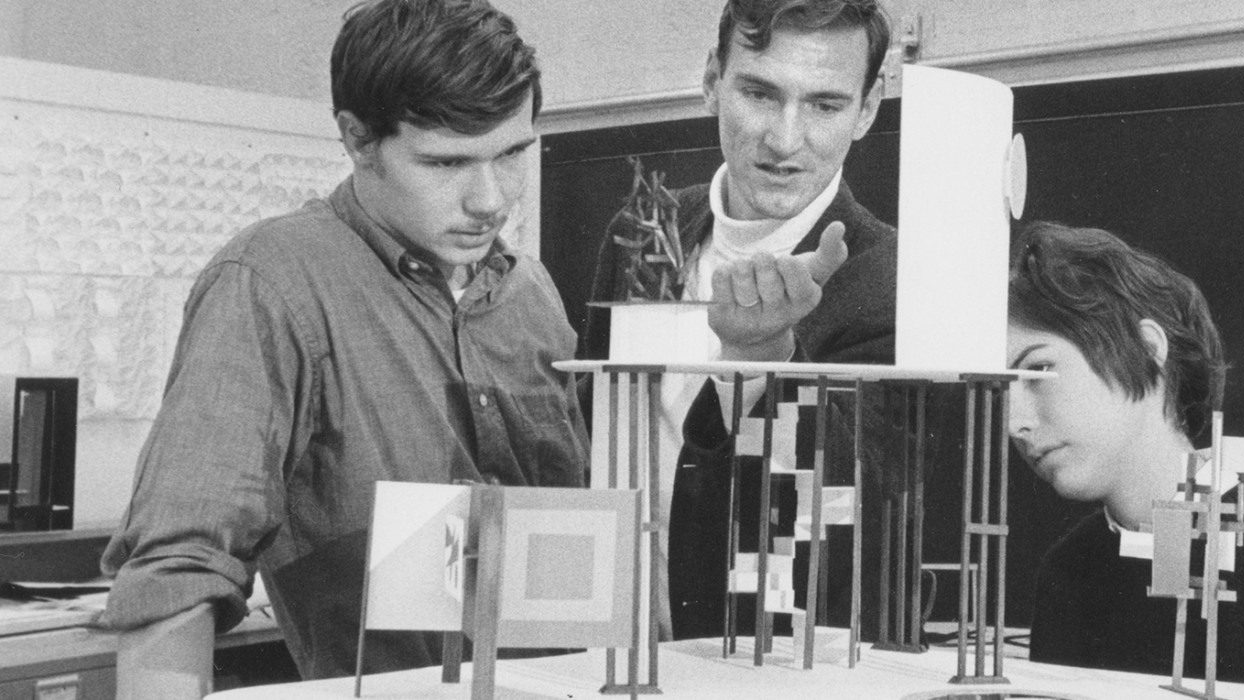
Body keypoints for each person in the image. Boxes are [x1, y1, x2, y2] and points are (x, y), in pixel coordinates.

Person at [98, 0, 587, 682]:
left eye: (511, 153)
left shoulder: (531, 294)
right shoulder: (271, 281)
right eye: (446, 164)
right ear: (358, 139)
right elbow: (179, 563)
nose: (491, 200)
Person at [583, 0, 897, 641]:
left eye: (825, 105)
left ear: (867, 110)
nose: (785, 139)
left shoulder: (896, 279)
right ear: (710, 82)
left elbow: (860, 504)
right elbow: (591, 422)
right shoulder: (645, 230)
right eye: (760, 92)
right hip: (614, 650)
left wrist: (767, 359)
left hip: (778, 665)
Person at [1007, 222, 1244, 700]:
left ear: (1148, 349)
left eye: (1038, 370)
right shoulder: (1067, 573)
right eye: (1002, 387)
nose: (1016, 423)